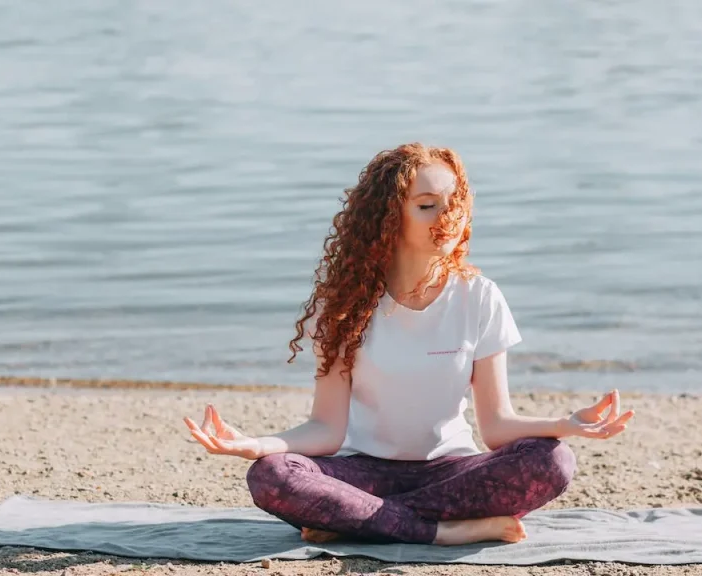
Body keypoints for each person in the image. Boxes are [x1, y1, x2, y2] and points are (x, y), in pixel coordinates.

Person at [184, 143, 635, 546]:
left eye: (454, 202)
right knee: (273, 475)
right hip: (362, 471)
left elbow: (496, 427)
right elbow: (325, 429)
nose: (449, 215)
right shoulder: (345, 303)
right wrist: (257, 443)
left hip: (449, 472)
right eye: (427, 205)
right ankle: (442, 531)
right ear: (388, 219)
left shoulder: (479, 295)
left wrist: (566, 423)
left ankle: (357, 522)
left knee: (553, 459)